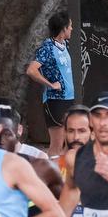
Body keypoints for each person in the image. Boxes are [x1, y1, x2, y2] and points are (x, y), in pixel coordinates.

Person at [25, 11, 76, 157]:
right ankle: (50, 178)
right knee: (57, 144)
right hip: (55, 101)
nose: (72, 29)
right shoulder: (47, 47)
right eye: (70, 26)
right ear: (63, 28)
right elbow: (31, 70)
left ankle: (64, 175)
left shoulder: (64, 44)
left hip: (68, 99)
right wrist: (50, 84)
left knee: (69, 142)